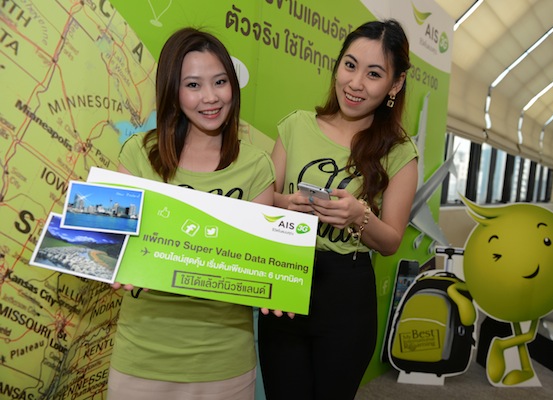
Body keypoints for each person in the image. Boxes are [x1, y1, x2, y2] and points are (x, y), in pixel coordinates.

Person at [106, 27, 275, 400]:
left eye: (220, 82)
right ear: (173, 90)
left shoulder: (257, 166)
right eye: (193, 85)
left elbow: (261, 263)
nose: (211, 97)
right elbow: (110, 246)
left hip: (224, 362)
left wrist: (276, 287)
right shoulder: (138, 155)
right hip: (142, 357)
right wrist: (109, 259)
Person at [258, 19, 418, 400]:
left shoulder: (399, 152)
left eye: (374, 74)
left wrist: (359, 216)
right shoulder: (296, 126)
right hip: (286, 279)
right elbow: (262, 202)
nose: (355, 83)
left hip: (347, 293)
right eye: (350, 65)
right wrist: (286, 203)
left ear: (395, 84)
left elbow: (391, 241)